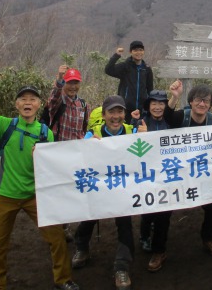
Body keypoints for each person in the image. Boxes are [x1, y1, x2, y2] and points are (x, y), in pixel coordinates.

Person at [0, 79, 79, 290]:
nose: (27, 102)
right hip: (6, 195)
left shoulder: (45, 133)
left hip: (35, 195)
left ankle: (64, 280)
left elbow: (52, 166)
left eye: (32, 99)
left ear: (39, 104)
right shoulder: (5, 126)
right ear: (17, 104)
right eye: (23, 99)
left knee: (57, 239)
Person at [73, 95, 141, 290]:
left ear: (125, 114)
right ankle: (82, 248)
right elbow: (78, 156)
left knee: (125, 225)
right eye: (111, 112)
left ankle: (122, 267)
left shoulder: (132, 131)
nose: (116, 116)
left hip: (123, 190)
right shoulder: (92, 134)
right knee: (88, 218)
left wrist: (146, 135)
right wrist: (87, 146)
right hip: (99, 189)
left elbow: (147, 153)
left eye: (120, 111)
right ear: (104, 115)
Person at [163, 79, 212, 258]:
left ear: (211, 104)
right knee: (163, 210)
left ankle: (208, 239)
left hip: (201, 173)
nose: (202, 104)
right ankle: (159, 249)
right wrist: (174, 97)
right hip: (178, 173)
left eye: (206, 101)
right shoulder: (183, 116)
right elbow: (168, 117)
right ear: (191, 101)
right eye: (198, 99)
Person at [44, 65, 88, 244]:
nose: (72, 86)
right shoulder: (58, 102)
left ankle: (66, 225)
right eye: (70, 83)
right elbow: (53, 96)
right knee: (58, 191)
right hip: (58, 153)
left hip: (76, 154)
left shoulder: (83, 104)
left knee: (72, 190)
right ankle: (59, 228)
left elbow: (83, 129)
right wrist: (59, 78)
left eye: (75, 83)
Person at [129, 90, 172, 273]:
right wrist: (137, 130)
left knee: (164, 212)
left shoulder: (171, 122)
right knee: (147, 209)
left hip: (166, 175)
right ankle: (144, 235)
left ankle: (159, 250)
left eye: (161, 103)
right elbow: (128, 146)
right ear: (148, 105)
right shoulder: (140, 122)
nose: (157, 107)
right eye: (154, 103)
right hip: (145, 174)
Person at [105, 40, 154, 122]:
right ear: (131, 52)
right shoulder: (125, 66)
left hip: (141, 110)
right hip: (126, 108)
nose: (138, 52)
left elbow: (150, 89)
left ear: (143, 51)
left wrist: (150, 106)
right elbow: (108, 70)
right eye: (135, 50)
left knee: (139, 132)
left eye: (141, 50)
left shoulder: (147, 68)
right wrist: (117, 55)